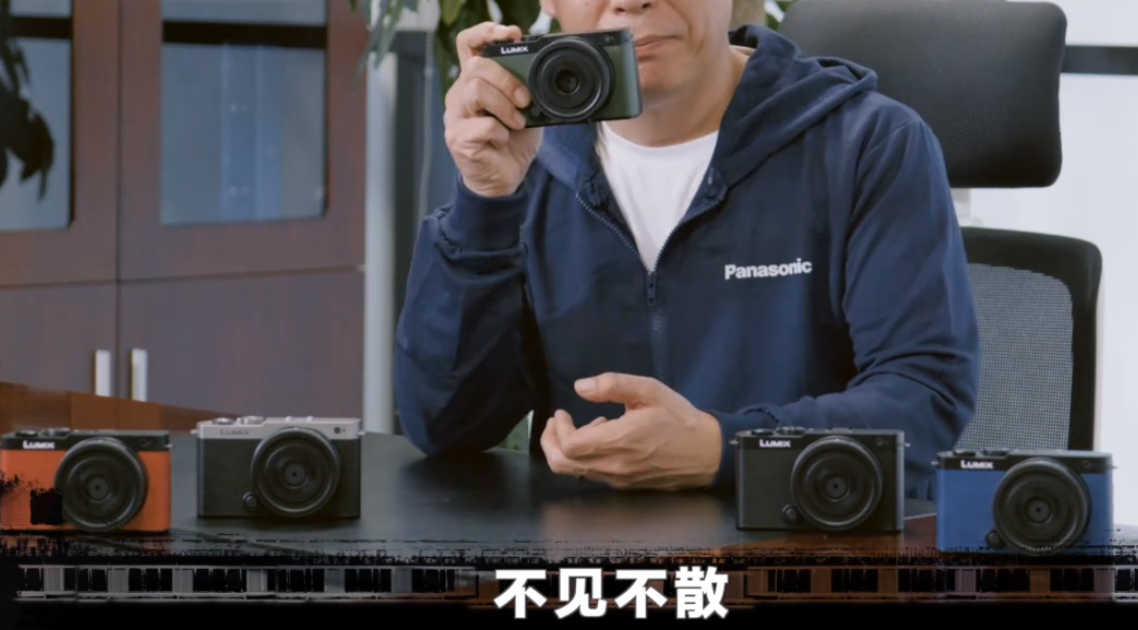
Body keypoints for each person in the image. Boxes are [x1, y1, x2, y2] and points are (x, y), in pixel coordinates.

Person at [394, 0, 981, 500]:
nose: (631, 1)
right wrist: (485, 202)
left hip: (805, 550)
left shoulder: (868, 144)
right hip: (594, 566)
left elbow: (922, 403)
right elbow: (446, 425)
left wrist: (722, 449)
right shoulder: (530, 159)